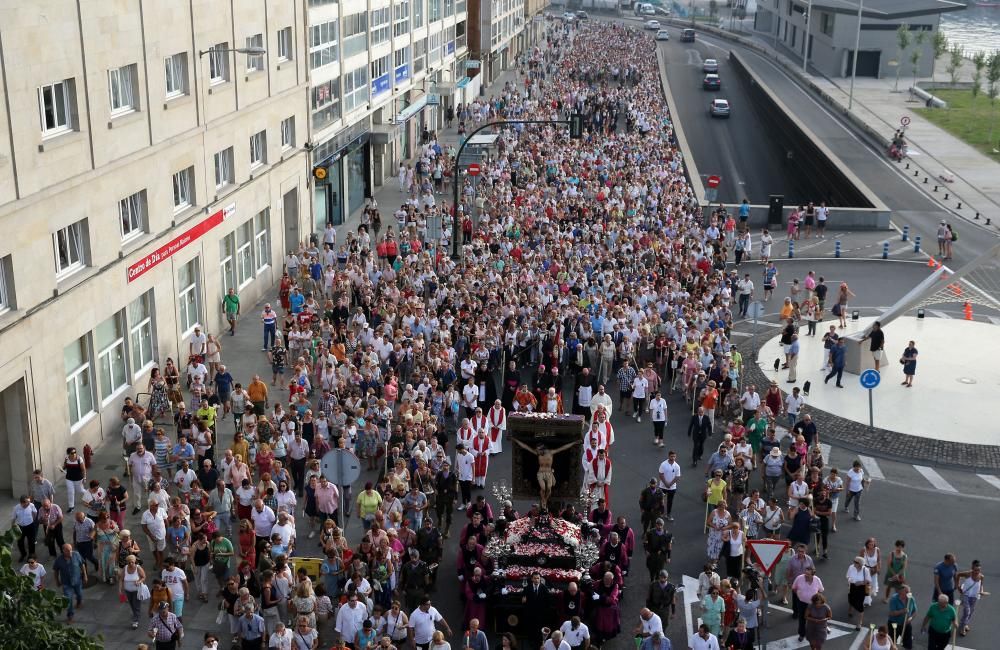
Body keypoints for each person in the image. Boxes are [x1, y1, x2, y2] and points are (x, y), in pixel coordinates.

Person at [53, 543, 87, 622]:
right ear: (63, 551)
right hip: (66, 583)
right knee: (68, 600)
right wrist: (57, 581)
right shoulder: (59, 560)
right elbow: (56, 571)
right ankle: (70, 615)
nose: (70, 552)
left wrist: (85, 575)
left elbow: (82, 564)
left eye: (71, 550)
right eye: (68, 551)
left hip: (77, 581)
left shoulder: (76, 555)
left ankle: (79, 601)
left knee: (79, 594)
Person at [791, 567, 825, 641]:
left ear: (813, 575)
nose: (805, 575)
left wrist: (816, 600)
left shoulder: (817, 580)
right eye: (805, 573)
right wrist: (798, 594)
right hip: (801, 603)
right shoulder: (799, 578)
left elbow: (821, 590)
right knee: (802, 619)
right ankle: (801, 634)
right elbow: (793, 588)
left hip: (813, 605)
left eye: (808, 574)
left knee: (813, 620)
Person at [846, 556, 873, 631]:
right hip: (853, 586)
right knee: (851, 599)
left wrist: (861, 583)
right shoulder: (851, 567)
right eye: (854, 561)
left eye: (855, 562)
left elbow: (869, 581)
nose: (853, 563)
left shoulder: (866, 570)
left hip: (861, 589)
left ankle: (859, 623)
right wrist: (851, 581)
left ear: (860, 564)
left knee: (859, 604)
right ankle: (850, 609)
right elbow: (847, 576)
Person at [887, 584, 917, 649]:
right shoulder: (894, 599)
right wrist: (902, 611)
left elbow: (915, 611)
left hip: (906, 624)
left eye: (909, 592)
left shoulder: (911, 599)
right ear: (900, 592)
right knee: (892, 642)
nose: (908, 593)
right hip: (895, 624)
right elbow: (891, 613)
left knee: (908, 643)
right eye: (906, 592)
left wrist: (910, 619)